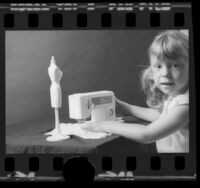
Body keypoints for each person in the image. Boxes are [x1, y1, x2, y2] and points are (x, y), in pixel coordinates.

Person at [82, 30, 189, 153]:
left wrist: (102, 125)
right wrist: (128, 109)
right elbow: (160, 117)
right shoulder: (175, 97)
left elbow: (146, 134)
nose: (165, 74)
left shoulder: (185, 105)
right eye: (158, 66)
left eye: (175, 65)